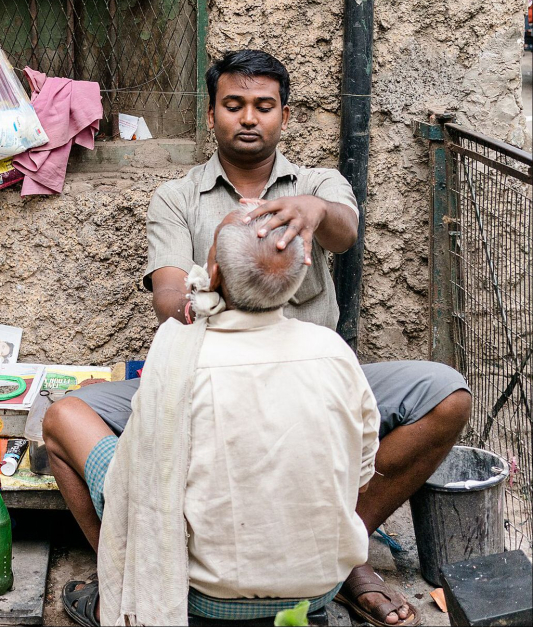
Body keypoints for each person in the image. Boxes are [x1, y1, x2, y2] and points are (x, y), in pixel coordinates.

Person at [44, 50, 471, 627]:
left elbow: (346, 233)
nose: (249, 118)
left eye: (263, 106)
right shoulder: (177, 197)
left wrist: (315, 211)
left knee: (446, 394)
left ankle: (345, 547)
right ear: (213, 114)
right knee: (64, 415)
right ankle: (137, 573)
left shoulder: (318, 184)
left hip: (308, 380)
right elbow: (170, 299)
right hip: (204, 377)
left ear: (284, 116)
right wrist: (218, 266)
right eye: (234, 105)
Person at [62, 211, 380, 625]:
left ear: (212, 273)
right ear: (301, 272)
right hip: (319, 588)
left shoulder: (178, 350)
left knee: (63, 417)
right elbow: (362, 474)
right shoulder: (334, 350)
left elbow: (139, 482)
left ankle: (119, 597)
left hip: (207, 596)